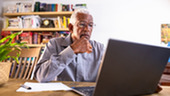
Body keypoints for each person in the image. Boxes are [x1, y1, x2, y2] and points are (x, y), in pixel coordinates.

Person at [34, 8, 104, 83]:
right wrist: (71, 50)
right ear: (71, 27)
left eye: (90, 25)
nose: (87, 29)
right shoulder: (54, 44)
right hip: (62, 93)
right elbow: (40, 76)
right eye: (82, 24)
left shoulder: (99, 48)